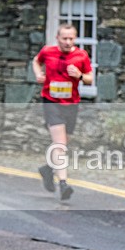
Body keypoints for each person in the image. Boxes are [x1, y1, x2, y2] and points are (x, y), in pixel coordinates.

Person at [32, 23, 93, 201]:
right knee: (60, 145)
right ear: (57, 38)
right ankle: (63, 183)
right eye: (64, 38)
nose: (67, 42)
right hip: (51, 102)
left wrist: (79, 75)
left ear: (75, 39)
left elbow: (90, 79)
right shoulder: (47, 51)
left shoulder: (81, 55)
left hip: (71, 104)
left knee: (64, 143)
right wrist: (38, 74)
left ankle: (47, 169)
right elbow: (36, 61)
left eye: (71, 38)